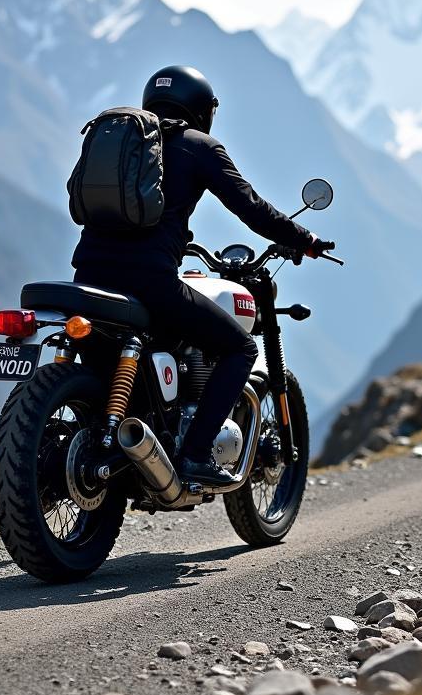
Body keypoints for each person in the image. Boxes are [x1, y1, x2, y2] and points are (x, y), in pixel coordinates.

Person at [71, 65, 334, 487]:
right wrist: (304, 239)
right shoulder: (199, 147)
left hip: (87, 276)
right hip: (149, 281)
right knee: (241, 349)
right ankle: (194, 453)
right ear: (202, 108)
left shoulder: (124, 143)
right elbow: (251, 207)